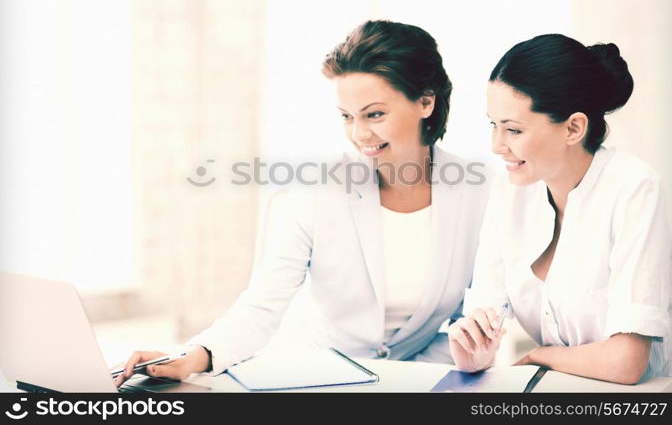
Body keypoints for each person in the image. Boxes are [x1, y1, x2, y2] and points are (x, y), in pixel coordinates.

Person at [114, 20, 492, 386]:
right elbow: (262, 306)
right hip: (318, 381)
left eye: (375, 114)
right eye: (347, 116)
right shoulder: (315, 193)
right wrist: (194, 355)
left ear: (425, 102)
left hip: (422, 383)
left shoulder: (479, 192)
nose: (360, 134)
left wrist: (420, 374)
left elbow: (482, 312)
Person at [448, 34, 671, 384]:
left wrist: (541, 356)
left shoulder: (633, 188)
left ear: (573, 128)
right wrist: (474, 352)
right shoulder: (510, 190)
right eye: (493, 125)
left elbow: (627, 360)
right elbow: (483, 317)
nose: (496, 146)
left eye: (513, 130)